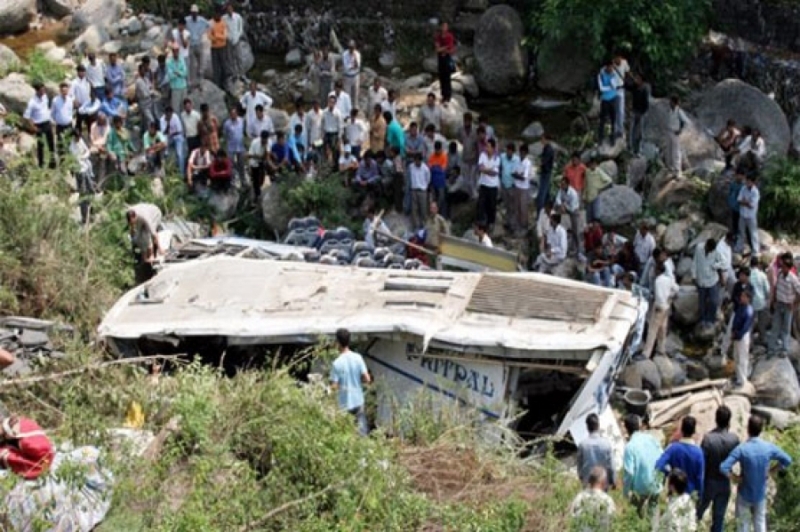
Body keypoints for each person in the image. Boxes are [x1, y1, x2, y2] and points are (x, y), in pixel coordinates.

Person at [722, 415, 792, 532]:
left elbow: (724, 467)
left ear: (748, 429)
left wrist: (735, 478)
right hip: (760, 493)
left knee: (742, 526)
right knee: (760, 525)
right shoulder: (768, 447)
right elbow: (787, 460)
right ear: (761, 429)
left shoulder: (742, 449)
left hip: (744, 492)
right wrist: (772, 471)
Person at [698, 406, 740, 532]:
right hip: (725, 482)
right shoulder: (734, 439)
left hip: (709, 482)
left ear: (716, 419)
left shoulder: (708, 439)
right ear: (729, 421)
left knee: (697, 514)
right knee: (719, 519)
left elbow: (702, 463)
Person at [330, 328, 371, 436]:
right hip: (358, 400)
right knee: (362, 433)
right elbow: (367, 379)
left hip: (344, 403)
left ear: (337, 342)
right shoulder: (358, 358)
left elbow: (334, 386)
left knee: (346, 434)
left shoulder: (336, 363)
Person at [622, 414, 663, 518]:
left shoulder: (630, 447)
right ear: (639, 426)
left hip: (641, 487)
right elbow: (662, 455)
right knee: (653, 511)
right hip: (656, 482)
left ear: (626, 429)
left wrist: (626, 493)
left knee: (636, 511)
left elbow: (629, 473)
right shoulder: (651, 438)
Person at [656, 416, 705, 497]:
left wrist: (669, 474)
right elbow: (699, 478)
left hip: (674, 491)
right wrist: (699, 495)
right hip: (690, 494)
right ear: (694, 432)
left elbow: (659, 465)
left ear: (681, 430)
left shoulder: (673, 448)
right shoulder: (699, 453)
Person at [0, 414, 55, 480]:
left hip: (41, 463)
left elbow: (45, 456)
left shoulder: (26, 443)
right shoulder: (22, 422)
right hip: (47, 456)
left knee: (5, 454)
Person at [643, 263, 679, 358]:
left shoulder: (658, 281)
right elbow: (676, 289)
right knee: (663, 328)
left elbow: (658, 295)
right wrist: (669, 297)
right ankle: (661, 349)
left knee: (652, 330)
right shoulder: (669, 279)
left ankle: (646, 353)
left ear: (658, 271)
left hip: (659, 306)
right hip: (667, 306)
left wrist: (660, 304)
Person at [569, 465, 615, 532]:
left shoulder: (579, 497)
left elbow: (572, 518)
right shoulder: (607, 500)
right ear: (603, 482)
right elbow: (612, 522)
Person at [771, 251, 800, 356]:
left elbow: (799, 292)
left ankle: (785, 349)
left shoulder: (793, 279)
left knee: (786, 328)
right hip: (779, 304)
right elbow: (776, 287)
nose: (782, 268)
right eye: (781, 266)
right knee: (775, 326)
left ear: (788, 268)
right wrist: (773, 300)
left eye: (784, 267)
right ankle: (772, 348)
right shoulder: (779, 273)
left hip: (788, 305)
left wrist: (794, 303)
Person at [576, 413, 616, 488]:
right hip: (602, 482)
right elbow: (611, 466)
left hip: (588, 483)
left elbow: (579, 465)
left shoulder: (582, 445)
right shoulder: (606, 444)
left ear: (587, 427)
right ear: (598, 426)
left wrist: (582, 478)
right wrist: (613, 481)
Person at [694, 238, 726, 328]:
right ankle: (703, 320)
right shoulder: (699, 248)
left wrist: (715, 266)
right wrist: (694, 276)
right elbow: (695, 261)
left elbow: (724, 262)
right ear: (706, 245)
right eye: (709, 249)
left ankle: (710, 319)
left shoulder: (716, 252)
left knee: (713, 301)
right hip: (701, 280)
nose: (710, 251)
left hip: (712, 280)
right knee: (702, 302)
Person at [127, 203, 163, 284]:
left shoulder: (145, 218)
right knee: (139, 235)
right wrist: (132, 231)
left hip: (155, 214)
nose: (133, 223)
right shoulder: (129, 212)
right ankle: (144, 257)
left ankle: (152, 255)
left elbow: (154, 234)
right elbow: (132, 227)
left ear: (135, 217)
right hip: (142, 214)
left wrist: (160, 248)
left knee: (147, 233)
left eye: (134, 221)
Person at [24, 82, 54, 169]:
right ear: (37, 91)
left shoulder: (45, 97)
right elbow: (27, 116)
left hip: (47, 122)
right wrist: (33, 127)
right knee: (41, 145)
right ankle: (41, 164)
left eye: (44, 89)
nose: (43, 91)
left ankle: (52, 162)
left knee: (51, 143)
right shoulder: (32, 102)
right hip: (39, 125)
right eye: (41, 90)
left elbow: (46, 108)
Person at [70, 129, 95, 224]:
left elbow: (87, 151)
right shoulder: (72, 147)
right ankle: (85, 217)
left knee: (91, 191)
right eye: (77, 137)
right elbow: (77, 158)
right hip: (80, 171)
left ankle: (91, 212)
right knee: (83, 194)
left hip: (86, 169)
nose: (78, 139)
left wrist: (84, 156)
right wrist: (83, 156)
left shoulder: (80, 141)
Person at [554, 178, 582, 256]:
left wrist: (564, 206)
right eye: (561, 184)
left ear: (567, 185)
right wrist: (561, 205)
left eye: (563, 184)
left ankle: (577, 248)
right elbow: (558, 199)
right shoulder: (561, 190)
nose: (561, 186)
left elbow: (573, 208)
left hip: (573, 210)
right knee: (555, 206)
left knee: (575, 229)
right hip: (565, 207)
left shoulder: (573, 193)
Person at [476, 138, 500, 228]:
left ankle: (491, 223)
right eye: (486, 146)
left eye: (489, 147)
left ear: (493, 148)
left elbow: (494, 173)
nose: (487, 148)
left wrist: (486, 170)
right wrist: (488, 170)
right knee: (481, 204)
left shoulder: (497, 158)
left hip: (493, 185)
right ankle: (480, 222)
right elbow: (481, 168)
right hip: (483, 184)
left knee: (492, 205)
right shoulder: (482, 155)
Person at [185, 4, 210, 91]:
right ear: (191, 13)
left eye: (195, 13)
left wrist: (203, 33)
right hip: (191, 44)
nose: (194, 14)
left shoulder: (202, 20)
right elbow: (181, 25)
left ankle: (200, 82)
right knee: (191, 65)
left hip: (199, 44)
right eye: (192, 13)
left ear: (197, 13)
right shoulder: (187, 20)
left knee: (201, 64)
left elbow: (209, 25)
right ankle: (192, 83)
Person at [584, 158, 613, 224]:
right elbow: (586, 184)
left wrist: (601, 189)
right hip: (588, 197)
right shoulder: (587, 172)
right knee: (588, 218)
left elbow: (609, 181)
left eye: (594, 164)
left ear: (596, 165)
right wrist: (584, 196)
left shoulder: (599, 172)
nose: (592, 166)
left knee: (596, 216)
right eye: (591, 164)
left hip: (596, 196)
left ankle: (597, 231)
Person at [597, 60, 620, 144]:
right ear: (606, 66)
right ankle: (600, 137)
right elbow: (601, 88)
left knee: (613, 119)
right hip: (605, 99)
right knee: (602, 119)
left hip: (613, 98)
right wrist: (610, 87)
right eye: (610, 67)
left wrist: (610, 86)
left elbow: (615, 85)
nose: (611, 69)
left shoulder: (614, 73)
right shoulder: (601, 75)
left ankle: (612, 137)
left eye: (612, 67)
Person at [511, 144, 532, 235]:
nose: (521, 154)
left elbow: (524, 177)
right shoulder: (517, 161)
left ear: (526, 153)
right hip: (517, 186)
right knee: (517, 206)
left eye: (523, 153)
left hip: (524, 188)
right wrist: (519, 175)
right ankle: (517, 225)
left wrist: (518, 175)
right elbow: (513, 173)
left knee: (523, 208)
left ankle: (524, 226)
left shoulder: (528, 163)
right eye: (520, 152)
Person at [738, 173, 760, 257]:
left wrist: (745, 202)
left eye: (749, 181)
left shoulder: (755, 192)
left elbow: (752, 205)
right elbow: (739, 200)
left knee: (753, 233)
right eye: (747, 180)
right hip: (742, 214)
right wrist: (747, 202)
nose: (747, 182)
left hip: (751, 216)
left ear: (753, 182)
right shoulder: (743, 188)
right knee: (741, 232)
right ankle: (739, 248)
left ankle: (755, 251)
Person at [750, 257, 770, 345]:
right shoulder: (762, 275)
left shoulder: (748, 275)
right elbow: (767, 290)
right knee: (762, 323)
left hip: (751, 303)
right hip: (762, 302)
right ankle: (763, 339)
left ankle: (749, 342)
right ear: (758, 265)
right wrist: (766, 298)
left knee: (750, 324)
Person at [434, 21, 456, 105]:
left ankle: (448, 96)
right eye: (443, 26)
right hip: (440, 59)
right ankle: (443, 95)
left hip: (447, 59)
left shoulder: (450, 36)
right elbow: (437, 49)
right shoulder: (438, 36)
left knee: (447, 77)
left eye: (446, 26)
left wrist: (443, 50)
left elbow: (451, 50)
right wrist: (445, 48)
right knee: (441, 76)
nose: (444, 28)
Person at [51, 82, 75, 158]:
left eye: (66, 90)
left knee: (69, 142)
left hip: (69, 124)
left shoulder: (70, 100)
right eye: (63, 91)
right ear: (60, 91)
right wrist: (54, 122)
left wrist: (72, 121)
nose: (65, 92)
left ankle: (69, 159)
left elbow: (70, 112)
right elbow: (52, 113)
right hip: (60, 125)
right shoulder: (55, 100)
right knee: (60, 143)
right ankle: (62, 161)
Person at [458, 113, 479, 199]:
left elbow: (478, 143)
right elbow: (460, 139)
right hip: (465, 156)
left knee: (473, 178)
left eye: (467, 121)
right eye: (464, 120)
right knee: (466, 178)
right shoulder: (461, 129)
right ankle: (467, 194)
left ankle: (474, 194)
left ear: (470, 121)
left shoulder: (475, 130)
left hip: (474, 157)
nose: (466, 122)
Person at [628, 72, 650, 154]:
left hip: (642, 112)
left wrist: (644, 112)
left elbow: (646, 102)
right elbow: (628, 86)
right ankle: (631, 148)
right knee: (632, 131)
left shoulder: (645, 89)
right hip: (634, 111)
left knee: (641, 132)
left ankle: (639, 149)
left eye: (638, 78)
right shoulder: (634, 87)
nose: (636, 80)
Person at [160, 106, 186, 174]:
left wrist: (171, 134)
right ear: (165, 113)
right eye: (168, 114)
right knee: (164, 152)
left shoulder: (175, 116)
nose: (169, 116)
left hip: (177, 136)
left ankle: (181, 174)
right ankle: (166, 171)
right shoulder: (162, 119)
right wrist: (168, 124)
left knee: (179, 154)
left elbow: (180, 130)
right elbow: (163, 132)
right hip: (168, 137)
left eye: (170, 114)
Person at [666, 96, 688, 177]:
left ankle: (678, 171)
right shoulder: (670, 110)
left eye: (671, 102)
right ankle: (670, 168)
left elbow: (686, 122)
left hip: (675, 133)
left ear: (674, 103)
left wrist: (680, 130)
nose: (669, 103)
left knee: (676, 152)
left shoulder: (679, 111)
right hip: (669, 131)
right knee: (669, 150)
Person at [222, 106, 245, 183]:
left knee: (241, 164)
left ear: (237, 113)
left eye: (235, 113)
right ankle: (232, 180)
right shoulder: (227, 124)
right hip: (231, 147)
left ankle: (243, 180)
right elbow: (225, 135)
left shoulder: (241, 121)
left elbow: (244, 132)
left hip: (240, 147)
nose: (233, 115)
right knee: (230, 165)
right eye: (232, 114)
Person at [409, 152, 431, 230]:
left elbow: (428, 179)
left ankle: (424, 226)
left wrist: (424, 186)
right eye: (415, 161)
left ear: (421, 160)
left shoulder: (425, 169)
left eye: (418, 161)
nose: (416, 162)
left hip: (422, 190)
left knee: (423, 209)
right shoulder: (411, 166)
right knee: (414, 209)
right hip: (414, 190)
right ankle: (415, 226)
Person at [166, 44, 189, 118]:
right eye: (174, 51)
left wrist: (176, 72)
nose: (176, 52)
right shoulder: (169, 62)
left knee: (184, 108)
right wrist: (179, 73)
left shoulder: (182, 60)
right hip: (175, 88)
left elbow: (185, 73)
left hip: (183, 86)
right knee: (175, 109)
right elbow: (170, 76)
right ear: (172, 51)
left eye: (177, 51)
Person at [224, 2, 245, 83]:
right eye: (227, 9)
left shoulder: (238, 17)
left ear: (232, 9)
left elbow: (240, 28)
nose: (229, 10)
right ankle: (234, 74)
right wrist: (228, 37)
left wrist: (238, 36)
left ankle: (242, 74)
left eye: (230, 8)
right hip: (229, 40)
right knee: (230, 58)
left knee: (239, 57)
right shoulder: (224, 18)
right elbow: (224, 30)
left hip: (237, 39)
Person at [428, 140, 448, 217]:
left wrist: (435, 167)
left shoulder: (444, 156)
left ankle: (439, 213)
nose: (437, 151)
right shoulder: (432, 156)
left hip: (441, 182)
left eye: (438, 150)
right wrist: (437, 167)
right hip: (433, 181)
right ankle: (433, 213)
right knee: (433, 199)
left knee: (441, 198)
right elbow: (430, 167)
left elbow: (443, 169)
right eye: (436, 150)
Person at [537, 133, 555, 216]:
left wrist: (538, 165)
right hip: (546, 172)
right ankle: (547, 210)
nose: (541, 140)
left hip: (546, 173)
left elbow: (544, 162)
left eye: (542, 139)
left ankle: (539, 213)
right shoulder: (546, 148)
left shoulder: (549, 149)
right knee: (547, 193)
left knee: (542, 194)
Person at [135, 63, 156, 136]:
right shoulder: (138, 82)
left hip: (149, 103)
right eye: (142, 70)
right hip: (143, 104)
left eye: (144, 70)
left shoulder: (146, 79)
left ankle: (144, 136)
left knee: (145, 123)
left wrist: (151, 90)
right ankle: (150, 135)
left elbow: (151, 87)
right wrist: (151, 92)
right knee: (151, 120)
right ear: (139, 71)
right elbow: (144, 94)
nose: (144, 72)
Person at [208, 11, 228, 88]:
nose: (216, 16)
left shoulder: (223, 23)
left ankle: (224, 81)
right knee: (215, 66)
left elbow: (225, 36)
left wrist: (216, 35)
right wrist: (218, 37)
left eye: (218, 15)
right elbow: (209, 35)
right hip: (214, 48)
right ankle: (217, 83)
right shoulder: (210, 23)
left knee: (223, 64)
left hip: (222, 47)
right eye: (215, 15)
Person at [322, 95, 344, 163]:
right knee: (325, 152)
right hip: (326, 133)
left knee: (335, 153)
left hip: (334, 134)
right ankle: (325, 168)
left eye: (333, 102)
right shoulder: (324, 112)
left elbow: (340, 126)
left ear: (335, 103)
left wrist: (339, 138)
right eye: (330, 102)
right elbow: (322, 123)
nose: (331, 104)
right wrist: (322, 135)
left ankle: (335, 169)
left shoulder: (338, 113)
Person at [341, 40, 361, 106]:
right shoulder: (345, 54)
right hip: (347, 77)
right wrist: (352, 66)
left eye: (352, 47)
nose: (351, 49)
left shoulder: (357, 54)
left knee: (355, 94)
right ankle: (347, 110)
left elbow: (358, 66)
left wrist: (354, 58)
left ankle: (355, 108)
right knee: (347, 95)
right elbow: (346, 67)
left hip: (355, 76)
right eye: (350, 47)